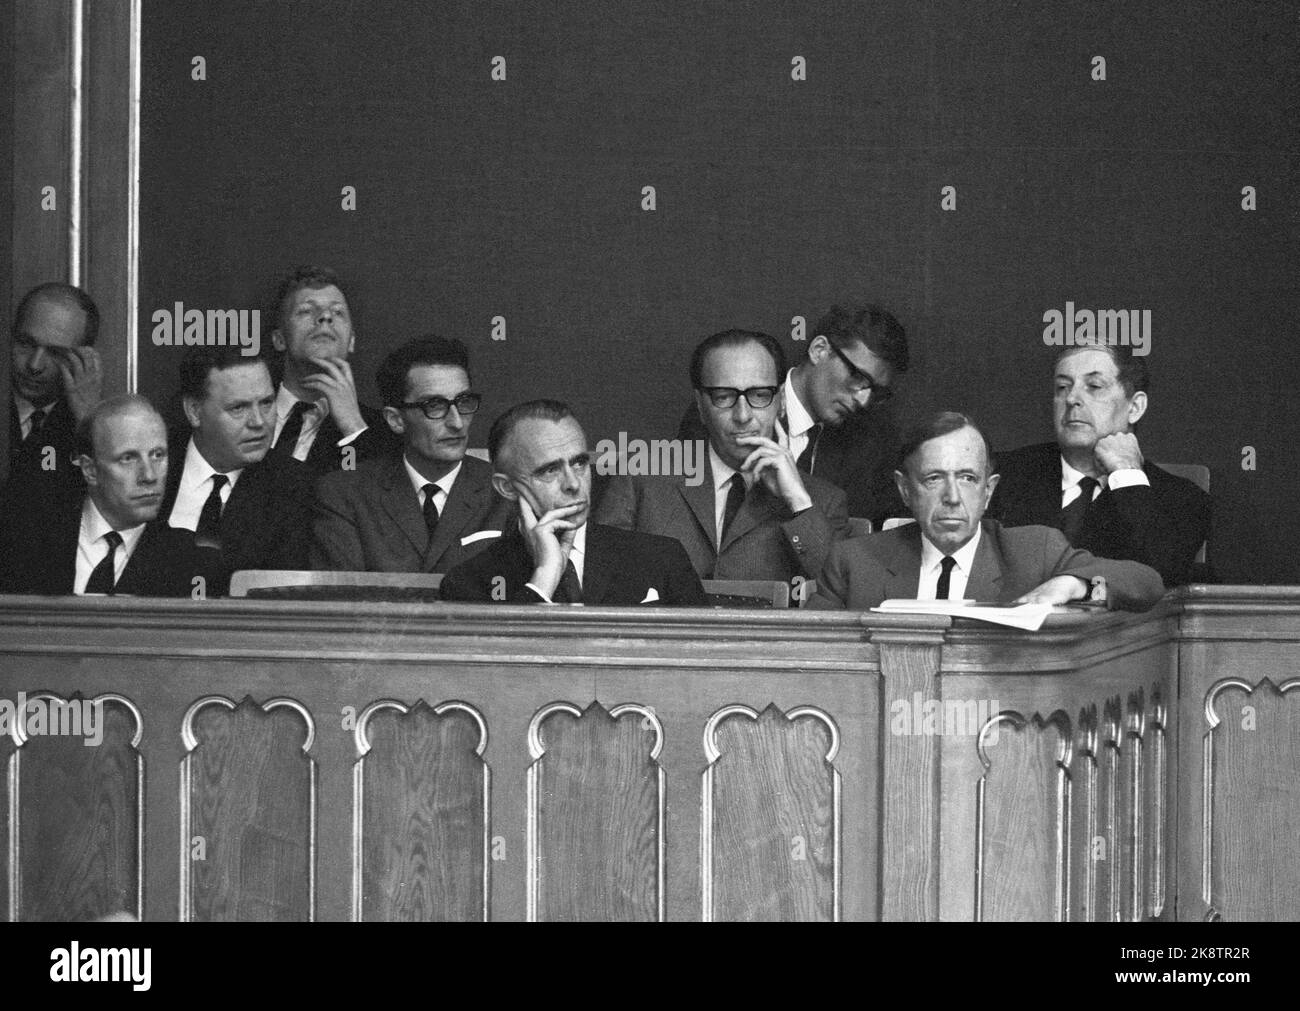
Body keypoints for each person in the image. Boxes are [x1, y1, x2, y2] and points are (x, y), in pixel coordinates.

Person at [810, 412, 1166, 611]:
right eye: (934, 478)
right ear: (905, 489)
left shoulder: (1035, 553)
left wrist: (1073, 584)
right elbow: (812, 659)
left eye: (967, 478)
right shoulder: (854, 563)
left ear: (988, 490)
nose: (952, 497)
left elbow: (1146, 583)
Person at [597, 329, 849, 587]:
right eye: (724, 397)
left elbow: (841, 593)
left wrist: (798, 502)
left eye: (760, 395)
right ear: (700, 405)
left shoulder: (823, 502)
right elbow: (597, 582)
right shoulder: (641, 478)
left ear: (781, 400)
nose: (743, 416)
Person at [440, 400, 705, 605]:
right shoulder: (469, 583)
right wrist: (545, 576)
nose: (573, 483)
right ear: (507, 487)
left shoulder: (661, 558)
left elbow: (713, 659)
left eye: (579, 463)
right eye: (549, 471)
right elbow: (492, 672)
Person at [988, 344, 1211, 587]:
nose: (1072, 398)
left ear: (1135, 407)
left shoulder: (1182, 499)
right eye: (1062, 387)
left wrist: (1127, 474)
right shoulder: (1002, 475)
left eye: (1094, 387)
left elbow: (1159, 578)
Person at [676, 303, 908, 526]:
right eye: (857, 377)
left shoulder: (867, 447)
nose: (863, 400)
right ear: (819, 350)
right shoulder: (724, 414)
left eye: (874, 391)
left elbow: (846, 551)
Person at [310, 336, 512, 573]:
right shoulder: (344, 495)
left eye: (464, 401)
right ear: (396, 420)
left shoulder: (506, 491)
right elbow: (343, 600)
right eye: (435, 405)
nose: (457, 423)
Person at [0, 395, 222, 596]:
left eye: (157, 455)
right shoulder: (23, 539)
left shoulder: (190, 562)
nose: (149, 475)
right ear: (90, 469)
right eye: (128, 458)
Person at [160, 346, 312, 574]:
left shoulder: (294, 485)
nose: (259, 422)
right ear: (194, 411)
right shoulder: (154, 462)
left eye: (267, 403)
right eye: (239, 408)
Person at [263, 266, 395, 477]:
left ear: (351, 341)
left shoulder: (381, 431)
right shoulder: (246, 412)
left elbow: (374, 502)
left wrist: (353, 428)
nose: (325, 317)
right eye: (306, 311)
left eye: (337, 312)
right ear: (280, 339)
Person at [4, 282, 102, 510]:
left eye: (55, 353)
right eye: (26, 344)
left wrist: (89, 422)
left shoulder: (88, 425)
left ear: (82, 358)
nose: (35, 365)